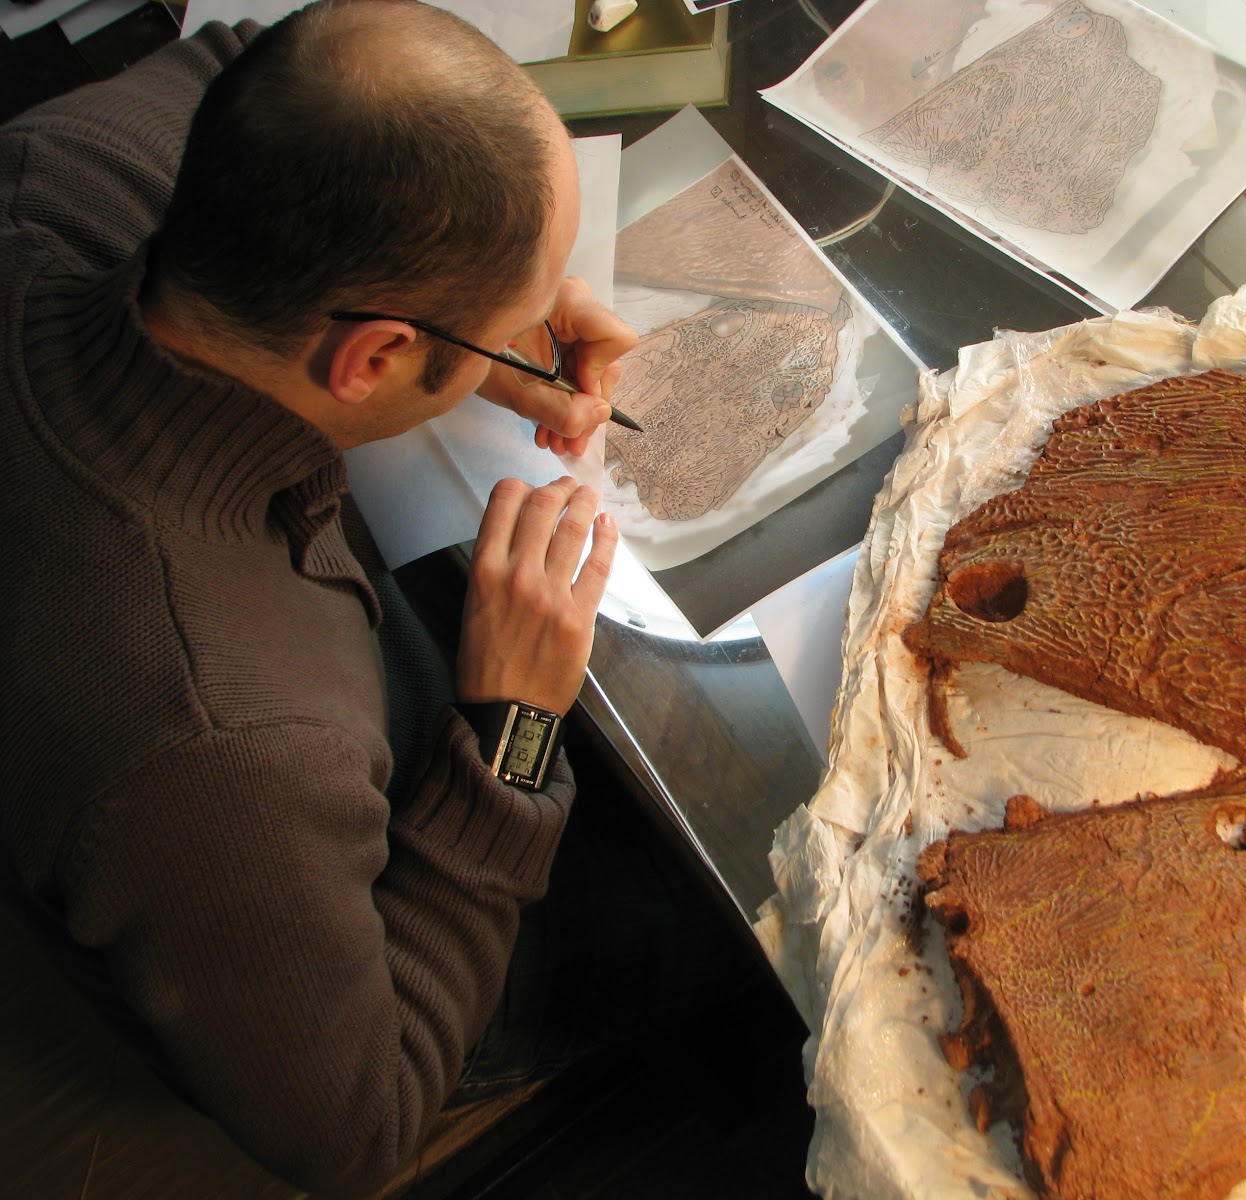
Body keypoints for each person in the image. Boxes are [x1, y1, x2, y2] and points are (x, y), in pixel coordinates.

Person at [0, 1, 749, 1193]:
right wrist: (511, 731)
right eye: (517, 326)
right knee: (734, 903)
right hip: (342, 978)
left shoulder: (43, 176)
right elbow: (355, 1127)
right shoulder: (214, 741)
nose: (545, 328)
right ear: (375, 357)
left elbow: (244, 59)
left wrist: (489, 291)